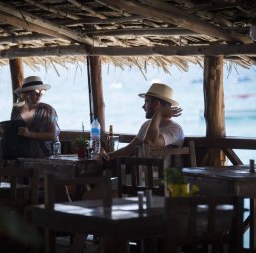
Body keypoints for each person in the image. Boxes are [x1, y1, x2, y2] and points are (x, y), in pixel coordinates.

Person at [67, 82, 184, 253]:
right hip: (135, 181)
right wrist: (108, 156)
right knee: (89, 196)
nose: (144, 106)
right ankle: (79, 247)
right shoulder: (147, 126)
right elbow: (131, 148)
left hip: (158, 186)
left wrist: (157, 115)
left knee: (112, 201)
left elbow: (151, 142)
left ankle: (109, 246)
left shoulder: (175, 129)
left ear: (158, 105)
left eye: (147, 102)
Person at [10, 75, 60, 157]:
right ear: (26, 93)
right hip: (19, 156)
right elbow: (14, 130)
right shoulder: (16, 110)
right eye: (36, 91)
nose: (40, 95)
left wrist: (29, 134)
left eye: (42, 92)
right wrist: (6, 130)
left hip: (42, 157)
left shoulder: (48, 110)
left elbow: (53, 135)